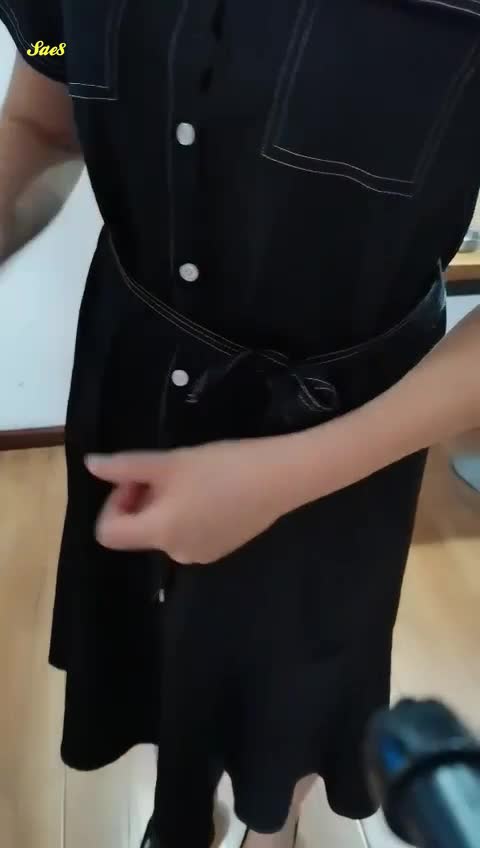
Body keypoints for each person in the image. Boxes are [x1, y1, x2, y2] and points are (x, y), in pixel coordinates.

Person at [1, 2, 479, 847]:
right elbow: (43, 117)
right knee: (151, 644)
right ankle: (180, 814)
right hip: (133, 374)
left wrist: (289, 475)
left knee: (295, 680)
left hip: (348, 423)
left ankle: (272, 827)